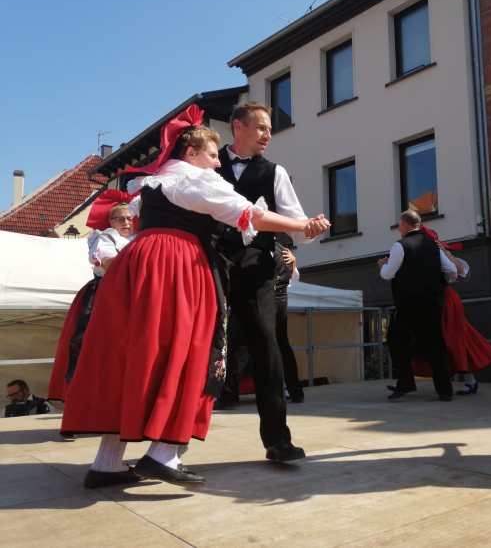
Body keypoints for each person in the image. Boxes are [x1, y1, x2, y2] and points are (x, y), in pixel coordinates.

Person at [60, 104, 318, 489]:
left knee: (133, 355)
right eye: (212, 155)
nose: (217, 164)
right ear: (192, 153)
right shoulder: (198, 179)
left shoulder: (153, 182)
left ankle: (108, 461)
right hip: (180, 265)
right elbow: (251, 216)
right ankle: (164, 453)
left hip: (143, 266)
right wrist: (304, 224)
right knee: (188, 353)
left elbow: (130, 221)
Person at [215, 102, 329, 462]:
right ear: (238, 126)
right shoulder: (208, 165)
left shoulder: (275, 172)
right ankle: (168, 443)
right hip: (210, 264)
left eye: (269, 129)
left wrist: (309, 229)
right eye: (261, 127)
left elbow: (296, 223)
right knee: (197, 342)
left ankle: (278, 441)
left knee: (267, 345)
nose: (268, 135)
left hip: (256, 267)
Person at [48, 191, 137, 402]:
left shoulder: (140, 237)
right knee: (87, 341)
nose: (125, 222)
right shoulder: (105, 237)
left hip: (134, 292)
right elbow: (108, 263)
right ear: (111, 221)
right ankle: (79, 392)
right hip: (105, 293)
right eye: (120, 218)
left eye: (129, 218)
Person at [380, 210, 458, 401]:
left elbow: (388, 274)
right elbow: (452, 271)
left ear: (405, 225)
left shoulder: (400, 246)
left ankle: (406, 383)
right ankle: (445, 390)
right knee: (435, 344)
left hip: (408, 304)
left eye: (400, 225)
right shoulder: (433, 245)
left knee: (396, 340)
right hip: (432, 304)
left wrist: (382, 265)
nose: (399, 228)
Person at [414, 226, 491, 395]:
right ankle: (462, 380)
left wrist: (446, 253)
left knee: (453, 338)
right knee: (450, 338)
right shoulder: (424, 254)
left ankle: (458, 380)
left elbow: (459, 272)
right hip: (436, 299)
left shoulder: (439, 254)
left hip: (445, 300)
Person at [274, 235, 304, 403]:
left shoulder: (278, 250)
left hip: (275, 301)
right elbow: (295, 278)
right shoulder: (280, 250)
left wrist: (293, 262)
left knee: (280, 346)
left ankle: (290, 389)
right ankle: (293, 390)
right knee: (282, 346)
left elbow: (294, 279)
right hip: (279, 302)